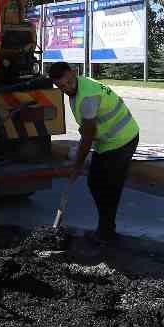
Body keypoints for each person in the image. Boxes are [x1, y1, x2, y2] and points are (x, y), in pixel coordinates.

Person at [48, 61, 140, 243]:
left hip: (123, 140)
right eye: (61, 86)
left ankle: (107, 233)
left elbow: (88, 137)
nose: (67, 88)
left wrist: (77, 165)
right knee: (96, 182)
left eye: (68, 82)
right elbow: (88, 129)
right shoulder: (79, 87)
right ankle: (105, 229)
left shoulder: (87, 96)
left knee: (109, 188)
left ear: (74, 73)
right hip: (107, 142)